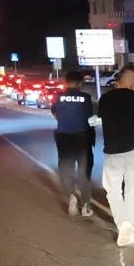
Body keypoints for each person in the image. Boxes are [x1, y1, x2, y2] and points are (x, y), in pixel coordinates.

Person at [98, 65, 134, 247]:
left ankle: (123, 225)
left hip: (112, 152)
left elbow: (104, 122)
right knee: (132, 191)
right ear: (131, 78)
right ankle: (128, 228)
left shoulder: (104, 98)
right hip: (133, 151)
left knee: (113, 190)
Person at [52, 70, 95, 218]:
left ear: (66, 81)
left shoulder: (58, 97)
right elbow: (92, 117)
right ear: (80, 83)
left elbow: (55, 113)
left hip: (64, 138)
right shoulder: (85, 97)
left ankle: (71, 197)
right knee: (84, 172)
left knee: (66, 169)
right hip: (82, 138)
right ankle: (86, 206)